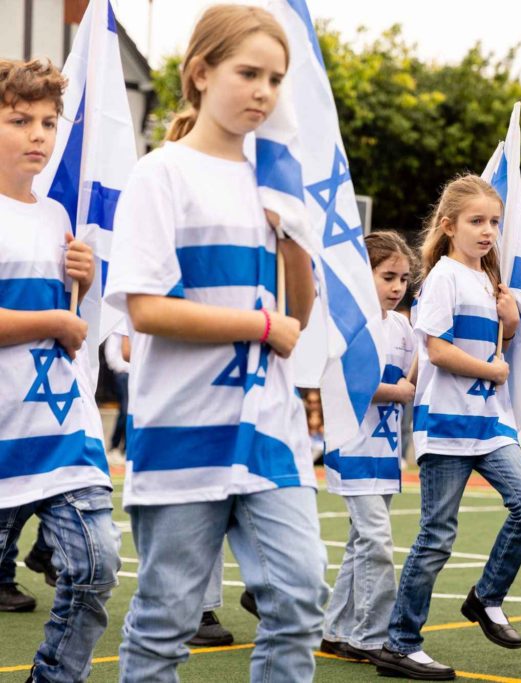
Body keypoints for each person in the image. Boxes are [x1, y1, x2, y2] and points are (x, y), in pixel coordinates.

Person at [106, 7, 328, 681]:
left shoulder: (277, 185)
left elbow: (301, 313)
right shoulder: (161, 173)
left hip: (270, 429)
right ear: (201, 74)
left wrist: (288, 231)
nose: (264, 91)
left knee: (297, 597)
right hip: (183, 427)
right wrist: (258, 327)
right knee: (166, 622)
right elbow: (145, 309)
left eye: (276, 79)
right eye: (248, 73)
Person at [376, 175, 521, 680]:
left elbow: (498, 344)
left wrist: (511, 322)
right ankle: (400, 643)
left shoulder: (490, 283)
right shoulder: (442, 277)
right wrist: (492, 370)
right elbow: (437, 350)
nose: (488, 230)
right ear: (449, 226)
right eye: (477, 221)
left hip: (489, 423)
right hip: (447, 424)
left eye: (494, 222)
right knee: (436, 537)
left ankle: (487, 596)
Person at [0, 58, 121, 681]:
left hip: (60, 432)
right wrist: (53, 320)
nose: (39, 134)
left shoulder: (55, 216)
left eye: (48, 121)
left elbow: (76, 325)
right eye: (20, 120)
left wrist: (84, 280)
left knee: (97, 566)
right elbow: (51, 323)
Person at [320, 231, 418, 664]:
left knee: (362, 541)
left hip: (385, 453)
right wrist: (398, 391)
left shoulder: (402, 326)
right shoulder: (349, 323)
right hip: (351, 448)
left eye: (403, 279)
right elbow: (348, 385)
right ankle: (372, 636)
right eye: (387, 277)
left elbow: (420, 367)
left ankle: (335, 629)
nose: (397, 287)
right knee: (377, 540)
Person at [104, 331, 130, 465]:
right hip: (123, 374)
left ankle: (125, 449)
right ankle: (114, 448)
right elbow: (123, 354)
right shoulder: (119, 327)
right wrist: (122, 369)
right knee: (125, 411)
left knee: (131, 412)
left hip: (132, 373)